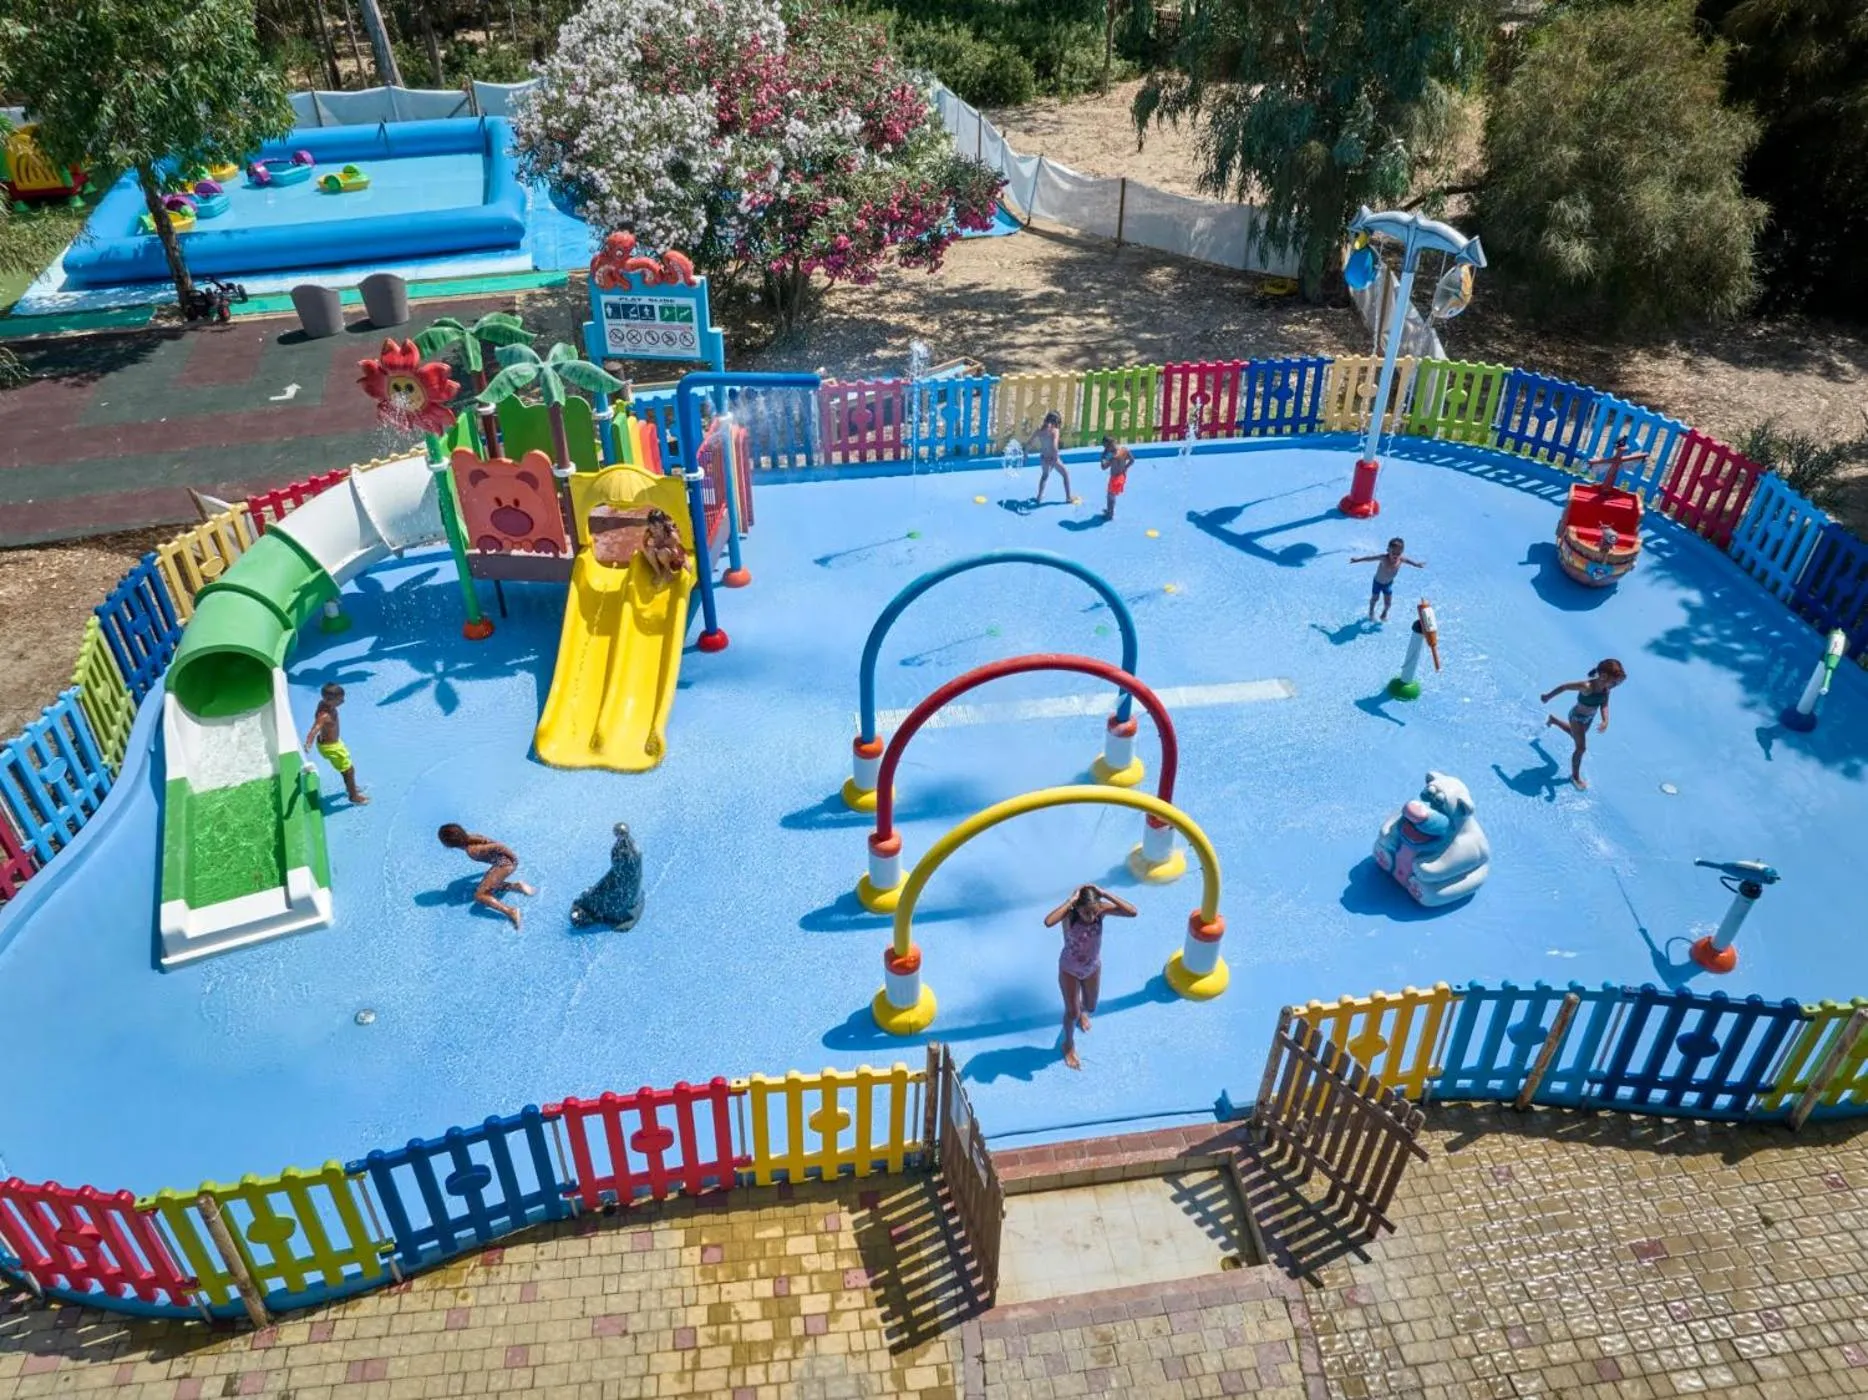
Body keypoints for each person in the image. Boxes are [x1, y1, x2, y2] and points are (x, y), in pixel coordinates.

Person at [1043, 883, 1138, 1069]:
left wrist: (1104, 894)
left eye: (1094, 912)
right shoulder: (1069, 916)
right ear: (1077, 908)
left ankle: (1082, 1013)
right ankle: (1068, 1045)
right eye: (1087, 912)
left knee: (1090, 1007)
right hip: (1069, 969)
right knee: (1072, 1012)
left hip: (1092, 968)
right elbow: (1048, 922)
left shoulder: (1100, 911)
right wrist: (1070, 900)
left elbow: (1132, 912)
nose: (1092, 916)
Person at [1541, 659, 1627, 790]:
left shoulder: (1606, 689)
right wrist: (1548, 696)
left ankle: (1554, 720)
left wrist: (1605, 720)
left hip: (1588, 719)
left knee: (1574, 735)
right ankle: (1575, 777)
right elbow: (1564, 687)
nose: (1615, 685)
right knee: (1581, 748)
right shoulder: (1586, 686)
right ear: (1603, 676)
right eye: (1614, 682)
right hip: (1576, 717)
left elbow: (1604, 704)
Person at [437, 824, 535, 928]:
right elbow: (490, 842)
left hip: (504, 865)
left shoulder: (472, 851)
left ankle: (511, 911)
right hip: (503, 863)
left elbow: (498, 846)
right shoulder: (472, 837)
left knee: (479, 896)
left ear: (449, 845)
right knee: (484, 885)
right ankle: (516, 886)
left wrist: (512, 857)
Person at [301, 682, 367, 805]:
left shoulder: (324, 704)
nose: (343, 702)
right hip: (331, 747)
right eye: (340, 700)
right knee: (349, 771)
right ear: (329, 700)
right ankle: (353, 797)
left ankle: (350, 788)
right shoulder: (324, 715)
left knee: (347, 769)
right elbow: (315, 728)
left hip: (332, 744)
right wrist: (308, 742)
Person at [1349, 538, 1426, 622]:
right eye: (1393, 553)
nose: (1396, 555)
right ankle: (1371, 611)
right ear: (1388, 550)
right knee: (1375, 599)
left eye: (1398, 553)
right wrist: (1357, 560)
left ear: (1402, 552)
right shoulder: (1383, 558)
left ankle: (1384, 613)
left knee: (1388, 604)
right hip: (1377, 583)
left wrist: (1416, 564)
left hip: (1388, 584)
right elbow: (1369, 558)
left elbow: (1409, 561)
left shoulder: (1401, 559)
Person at [1027, 411, 1072, 506]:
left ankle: (1039, 497)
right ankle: (1068, 497)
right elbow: (1054, 445)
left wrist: (1025, 453)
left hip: (1044, 457)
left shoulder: (1039, 430)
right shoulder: (1055, 430)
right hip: (1052, 457)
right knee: (1065, 474)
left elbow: (1030, 442)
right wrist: (1055, 457)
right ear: (1056, 422)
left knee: (1044, 476)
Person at [639, 507, 687, 586]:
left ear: (663, 525)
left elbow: (681, 549)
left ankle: (669, 573)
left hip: (671, 557)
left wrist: (685, 562)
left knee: (662, 553)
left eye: (656, 527)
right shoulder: (649, 533)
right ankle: (658, 573)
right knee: (648, 550)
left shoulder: (671, 535)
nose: (653, 530)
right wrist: (650, 554)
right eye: (651, 527)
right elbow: (644, 543)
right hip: (660, 556)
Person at [1099, 437, 1134, 520]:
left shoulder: (1110, 455)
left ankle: (1110, 514)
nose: (1106, 449)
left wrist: (1104, 458)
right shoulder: (1124, 450)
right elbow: (1132, 460)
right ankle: (1110, 511)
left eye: (1106, 447)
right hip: (1122, 476)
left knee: (1110, 496)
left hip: (1115, 478)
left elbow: (1103, 467)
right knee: (1112, 495)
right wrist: (1125, 467)